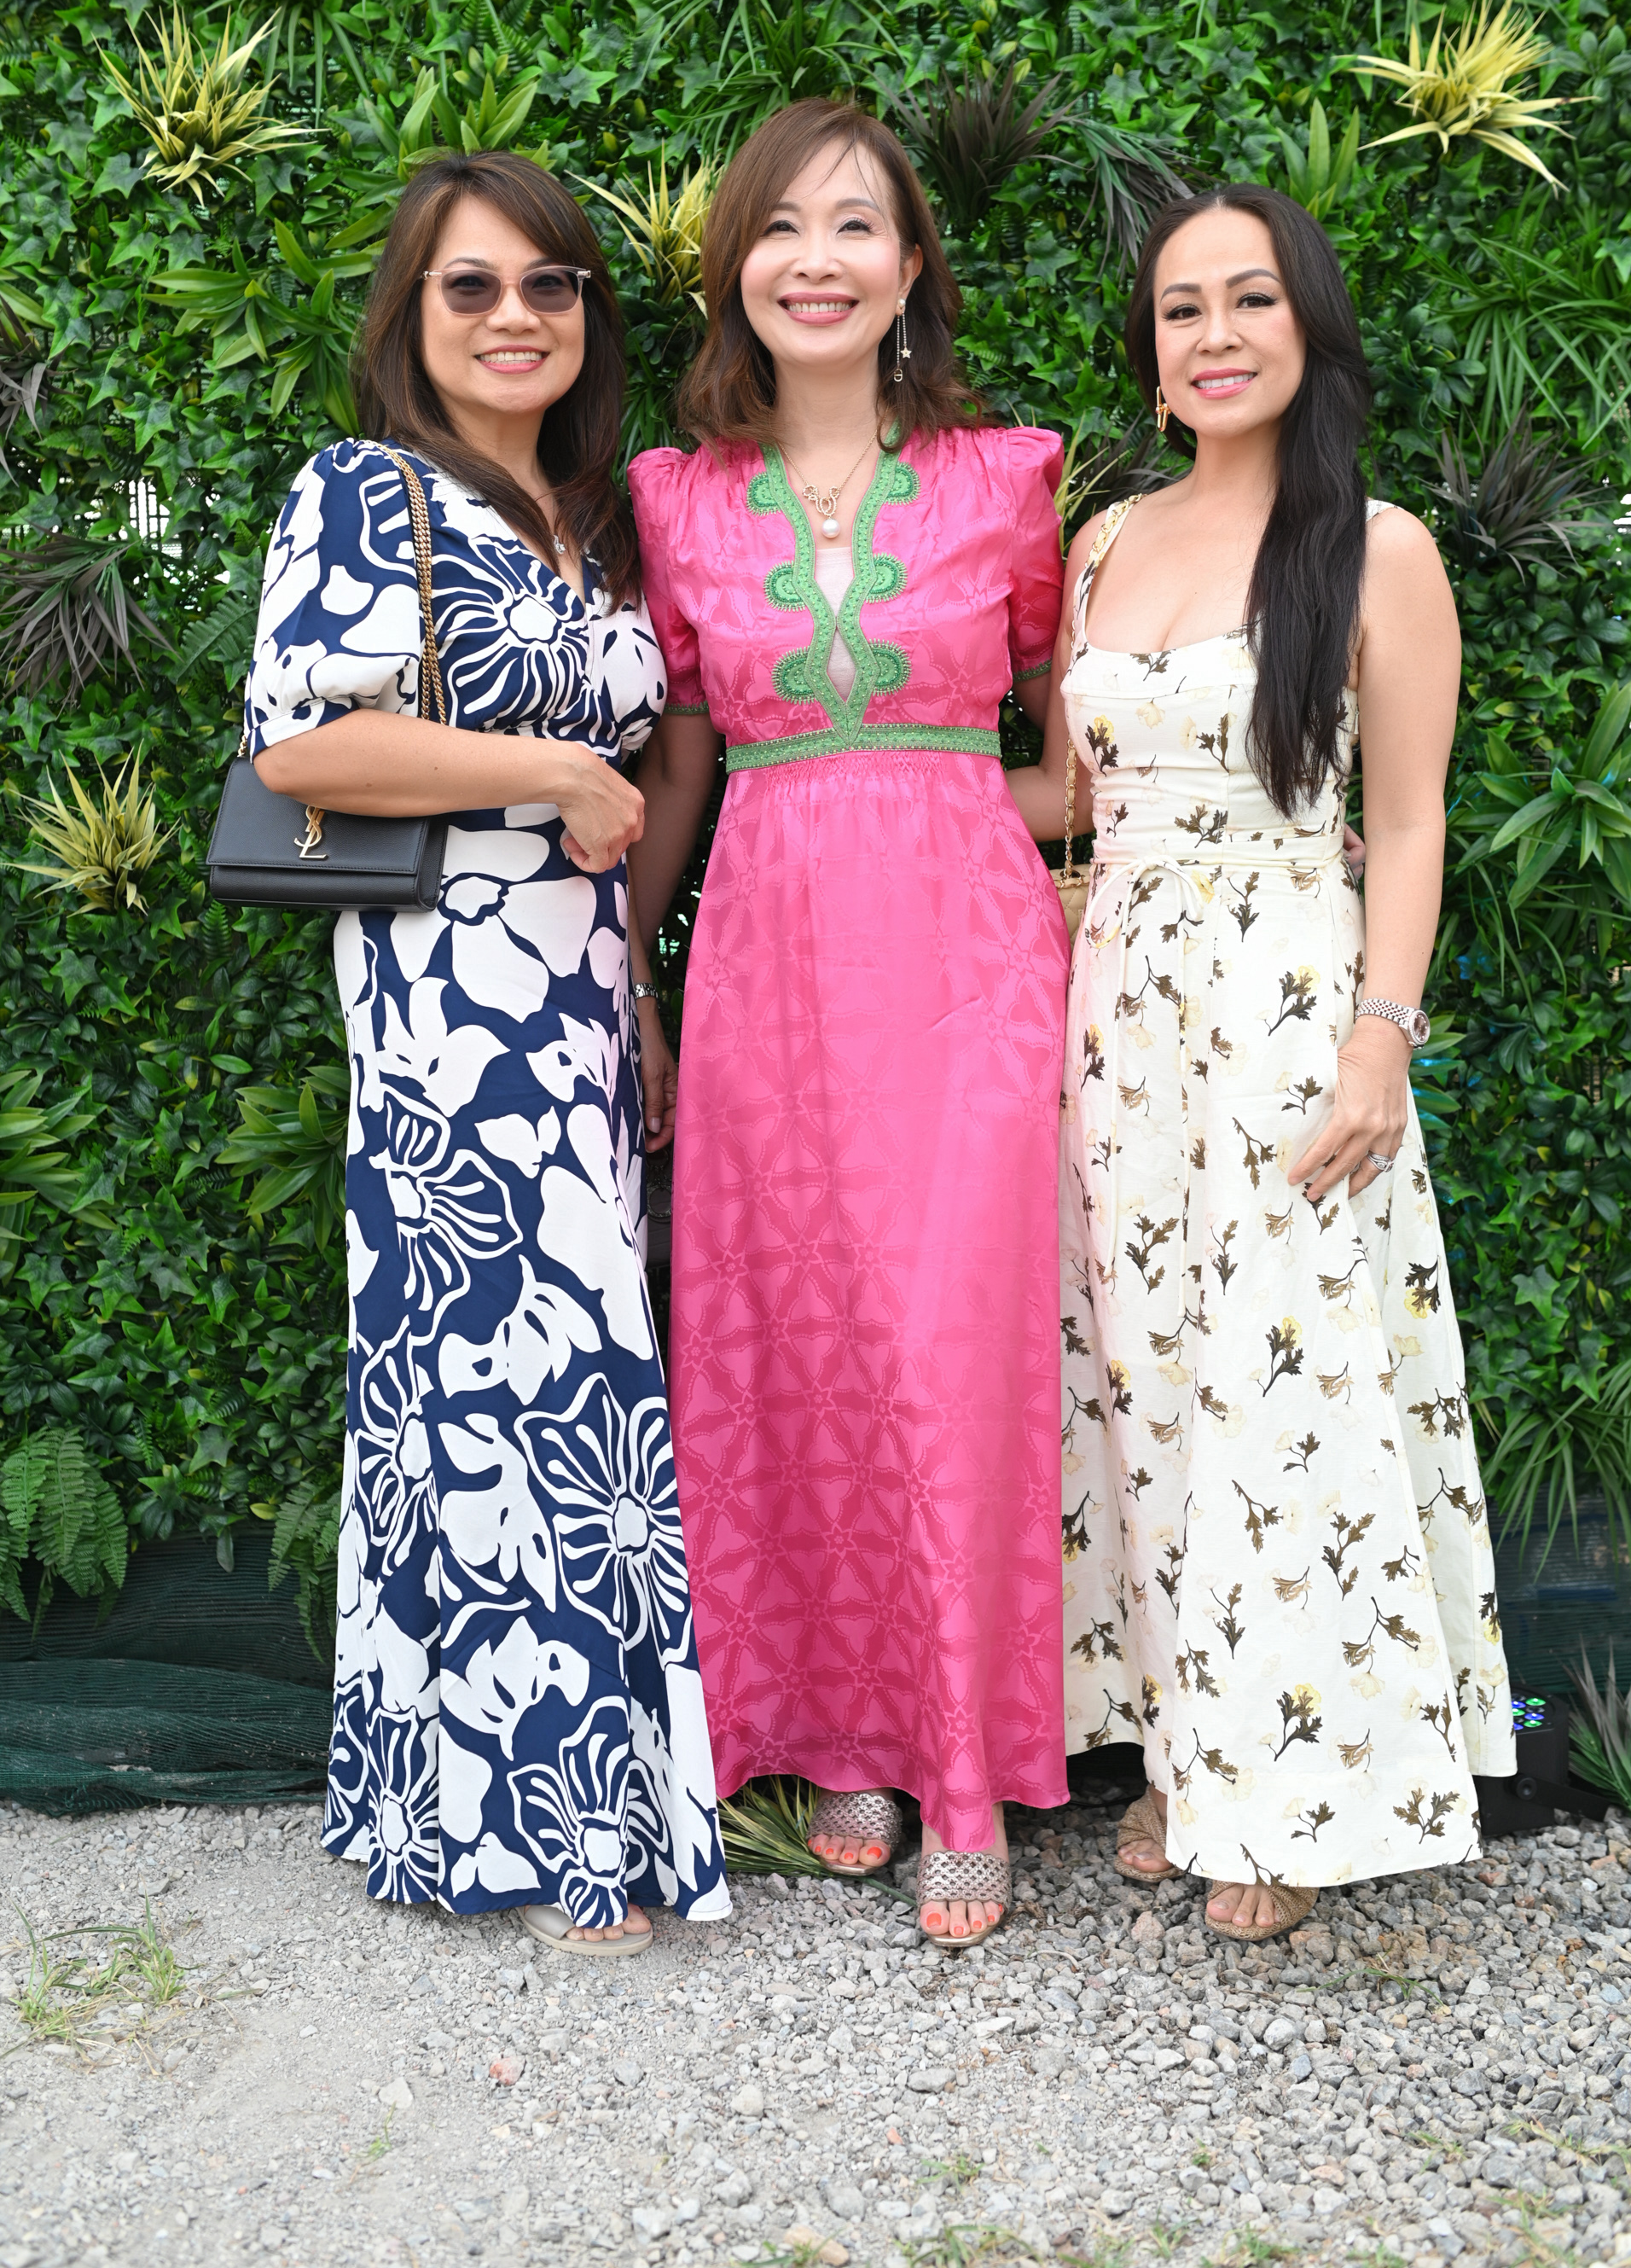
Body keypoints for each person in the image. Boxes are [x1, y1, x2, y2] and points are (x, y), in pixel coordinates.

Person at [1011, 183, 1514, 1945]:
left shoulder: (1373, 548)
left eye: (1249, 300)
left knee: (1283, 1384)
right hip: (1114, 1010)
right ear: (1150, 358)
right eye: (1180, 309)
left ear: (1308, 329)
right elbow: (1068, 794)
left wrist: (1381, 1037)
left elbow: (1409, 817)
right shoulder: (1098, 543)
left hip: (1290, 1000)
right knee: (1142, 1381)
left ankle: (1293, 1795)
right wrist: (865, 783)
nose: (1214, 335)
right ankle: (1185, 1743)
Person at [243, 150, 728, 1953]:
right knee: (498, 1388)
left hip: (581, 991)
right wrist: (546, 770)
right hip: (447, 1003)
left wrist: (641, 990)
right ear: (413, 314)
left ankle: (499, 1807)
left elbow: (658, 771)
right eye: (471, 286)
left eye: (549, 285)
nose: (514, 315)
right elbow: (302, 745)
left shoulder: (592, 518)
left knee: (567, 1387)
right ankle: (545, 1836)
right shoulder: (365, 491)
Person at [624, 99, 1071, 1944]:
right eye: (781, 226)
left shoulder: (1011, 476)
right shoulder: (671, 496)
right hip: (764, 968)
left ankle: (963, 1763)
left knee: (949, 1342)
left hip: (967, 960)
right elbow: (682, 754)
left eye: (857, 226)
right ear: (733, 266)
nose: (816, 258)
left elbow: (1071, 750)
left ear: (908, 270)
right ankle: (839, 1738)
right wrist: (626, 977)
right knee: (792, 1346)